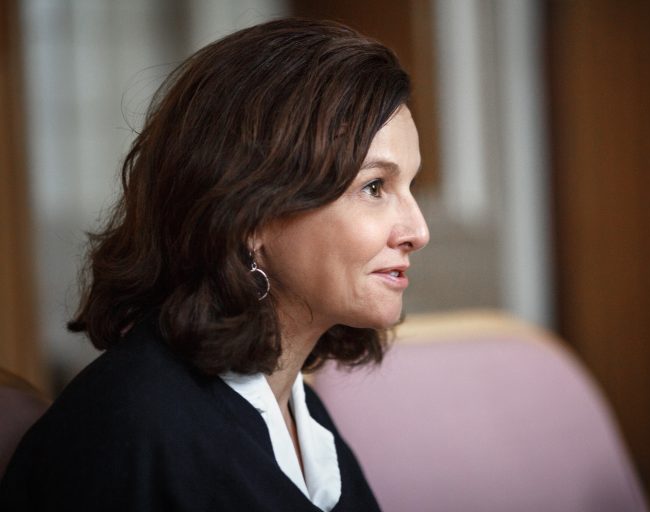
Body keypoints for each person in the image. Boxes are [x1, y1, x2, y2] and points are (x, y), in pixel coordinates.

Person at [0, 18, 429, 511]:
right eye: (374, 187)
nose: (418, 231)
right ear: (252, 213)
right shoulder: (135, 431)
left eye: (410, 187)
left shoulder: (298, 412)